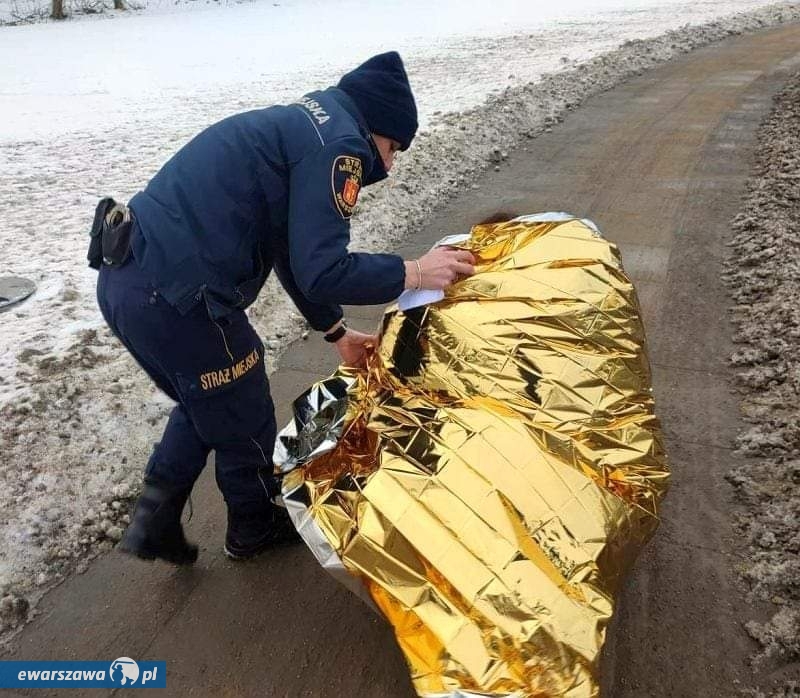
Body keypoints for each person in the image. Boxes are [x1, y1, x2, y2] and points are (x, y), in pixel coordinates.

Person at [93, 51, 475, 564]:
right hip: (180, 297)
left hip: (127, 281)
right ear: (376, 127)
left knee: (204, 401)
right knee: (243, 402)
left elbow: (292, 254)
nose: (389, 163)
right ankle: (251, 524)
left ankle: (153, 524)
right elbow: (323, 268)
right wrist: (415, 272)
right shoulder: (339, 147)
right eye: (392, 147)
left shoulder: (304, 125)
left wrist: (337, 332)